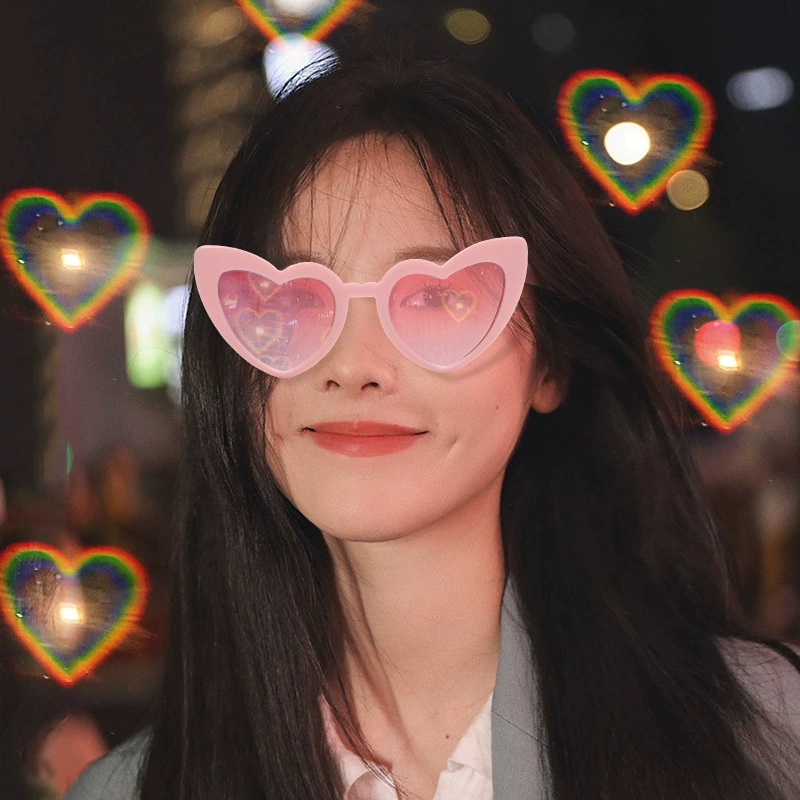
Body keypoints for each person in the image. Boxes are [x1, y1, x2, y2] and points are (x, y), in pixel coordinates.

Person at [66, 41, 800, 800]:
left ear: (549, 363)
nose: (352, 367)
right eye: (293, 298)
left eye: (437, 298)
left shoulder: (766, 736)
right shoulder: (126, 794)